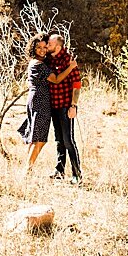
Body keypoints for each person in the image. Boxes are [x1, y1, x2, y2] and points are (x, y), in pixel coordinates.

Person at [44, 32, 82, 184]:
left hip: (66, 105)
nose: (48, 46)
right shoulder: (49, 60)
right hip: (54, 105)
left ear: (58, 46)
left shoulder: (68, 60)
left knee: (68, 140)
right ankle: (60, 170)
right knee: (59, 140)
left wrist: (73, 105)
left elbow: (77, 84)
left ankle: (76, 174)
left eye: (50, 45)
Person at [18, 33, 52, 174]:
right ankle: (27, 169)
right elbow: (55, 79)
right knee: (38, 138)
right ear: (33, 48)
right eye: (39, 47)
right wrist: (71, 67)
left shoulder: (40, 62)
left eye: (45, 47)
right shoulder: (37, 64)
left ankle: (27, 167)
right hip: (40, 100)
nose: (42, 50)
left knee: (37, 137)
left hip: (40, 99)